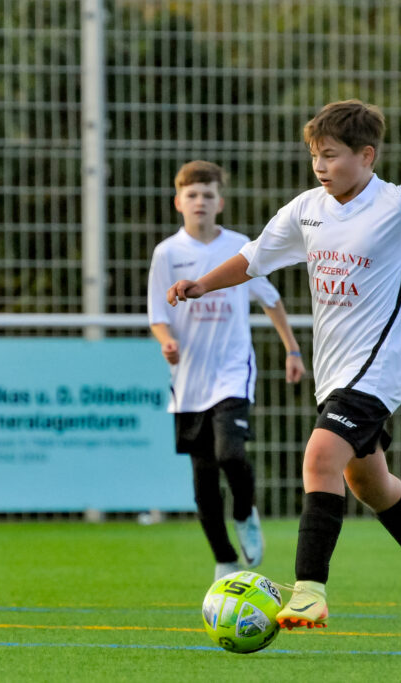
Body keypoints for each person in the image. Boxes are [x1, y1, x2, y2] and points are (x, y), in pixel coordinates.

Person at [168, 101, 401, 630]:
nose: (320, 166)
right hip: (333, 370)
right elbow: (255, 257)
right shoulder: (307, 209)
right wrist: (203, 284)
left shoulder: (399, 204)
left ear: (366, 156)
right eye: (314, 156)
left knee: (319, 457)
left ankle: (309, 591)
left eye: (330, 155)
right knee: (368, 482)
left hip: (379, 366)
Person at [148, 160, 306, 581]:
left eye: (208, 194)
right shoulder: (167, 253)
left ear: (220, 202)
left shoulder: (240, 248)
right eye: (192, 194)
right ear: (178, 202)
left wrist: (292, 349)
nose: (200, 201)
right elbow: (157, 314)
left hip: (233, 371)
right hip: (189, 380)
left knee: (230, 454)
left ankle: (245, 512)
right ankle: (224, 558)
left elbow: (270, 299)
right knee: (203, 479)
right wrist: (166, 340)